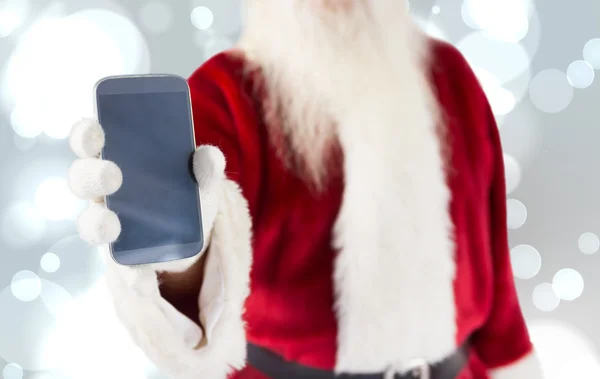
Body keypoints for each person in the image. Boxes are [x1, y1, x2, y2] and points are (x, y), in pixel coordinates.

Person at [67, 1, 544, 378]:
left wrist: (513, 364)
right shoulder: (221, 95)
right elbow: (197, 276)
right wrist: (173, 260)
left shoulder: (451, 74)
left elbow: (495, 266)